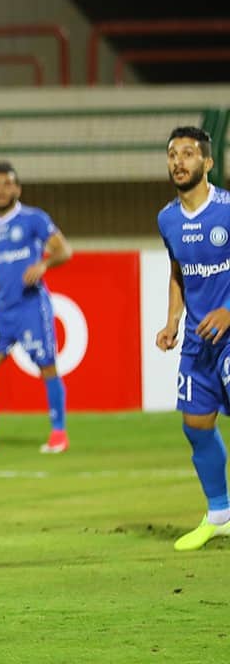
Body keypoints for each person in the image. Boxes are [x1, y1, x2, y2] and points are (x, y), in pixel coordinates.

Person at [0, 161, 73, 455]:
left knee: (47, 366)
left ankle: (59, 433)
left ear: (17, 189)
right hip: (3, 312)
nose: (1, 190)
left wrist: (43, 265)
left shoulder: (34, 219)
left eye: (7, 184)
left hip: (32, 307)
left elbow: (64, 250)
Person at [155, 126, 230, 551]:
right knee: (197, 426)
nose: (178, 161)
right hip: (198, 342)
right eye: (172, 154)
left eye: (187, 153)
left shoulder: (227, 210)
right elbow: (179, 273)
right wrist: (172, 321)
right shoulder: (167, 219)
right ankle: (219, 516)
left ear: (207, 162)